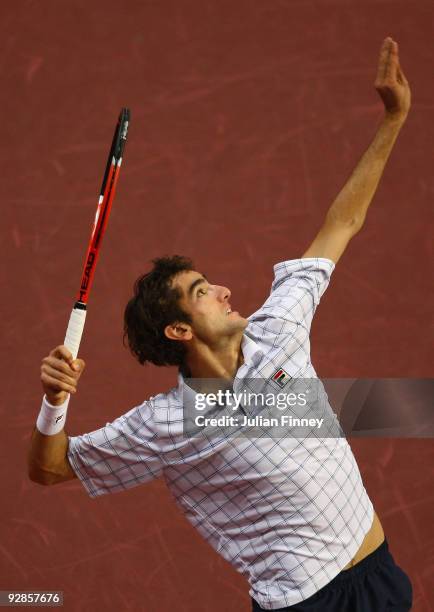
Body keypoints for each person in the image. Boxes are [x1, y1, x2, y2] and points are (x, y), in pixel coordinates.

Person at [28, 37, 413, 611]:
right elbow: (50, 469)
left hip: (379, 575)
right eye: (203, 293)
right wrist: (54, 402)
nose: (227, 290)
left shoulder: (277, 329)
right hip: (305, 603)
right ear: (180, 331)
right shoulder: (167, 424)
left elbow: (344, 222)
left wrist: (393, 118)